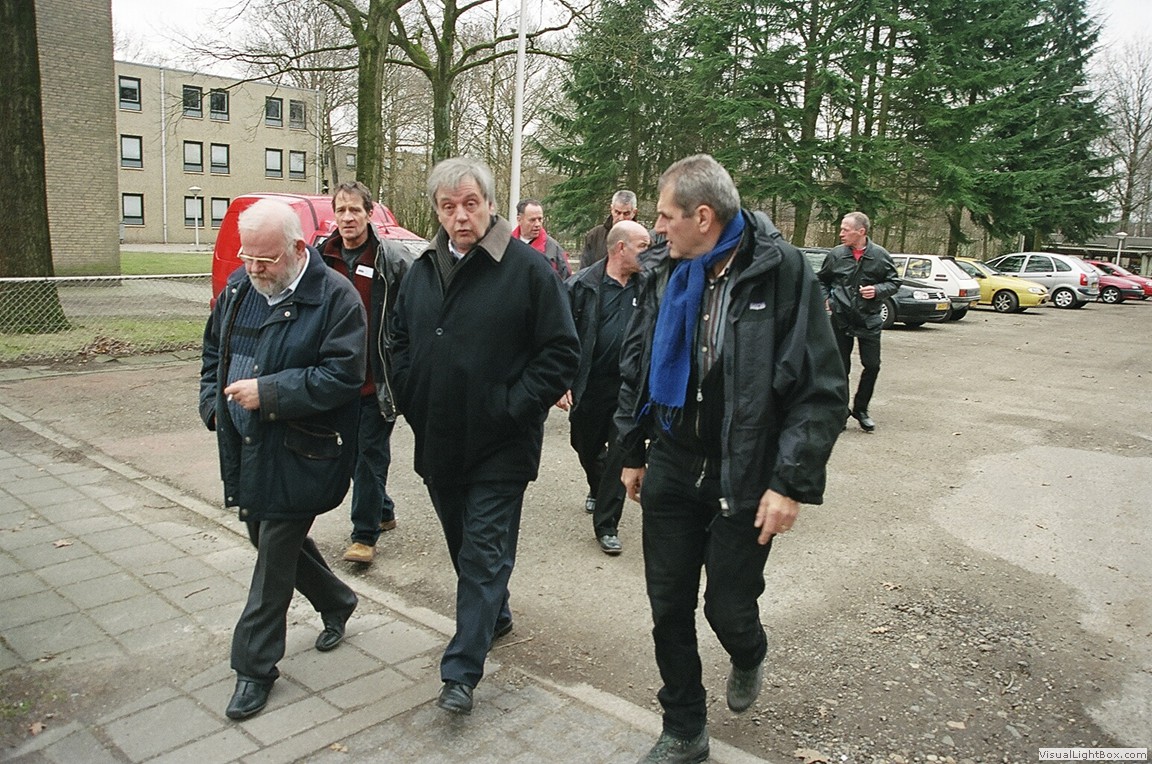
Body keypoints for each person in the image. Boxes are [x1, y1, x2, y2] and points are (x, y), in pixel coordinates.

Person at [615, 155, 846, 764]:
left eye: (664, 216)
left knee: (727, 607)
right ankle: (685, 727)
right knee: (668, 606)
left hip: (743, 471)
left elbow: (820, 389)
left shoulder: (781, 271)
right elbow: (638, 363)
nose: (656, 227)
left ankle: (748, 650)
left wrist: (789, 483)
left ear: (703, 217)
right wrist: (632, 450)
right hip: (672, 461)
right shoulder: (664, 271)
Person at [391, 157, 580, 716]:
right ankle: (494, 614)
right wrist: (412, 396)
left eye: (470, 204)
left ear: (492, 206)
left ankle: (461, 671)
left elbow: (561, 353)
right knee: (463, 544)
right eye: (448, 206)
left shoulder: (528, 270)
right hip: (439, 438)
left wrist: (510, 407)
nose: (460, 216)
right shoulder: (422, 268)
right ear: (437, 211)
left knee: (482, 552)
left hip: (501, 442)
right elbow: (397, 340)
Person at [198, 199, 365, 721]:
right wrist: (212, 406)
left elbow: (342, 377)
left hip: (304, 451)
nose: (253, 268)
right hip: (247, 445)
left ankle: (254, 668)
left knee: (272, 557)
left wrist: (268, 393)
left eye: (265, 259)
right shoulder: (238, 288)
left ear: (296, 248)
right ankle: (336, 601)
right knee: (265, 537)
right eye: (246, 256)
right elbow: (213, 353)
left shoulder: (335, 297)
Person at [316, 181, 409, 565]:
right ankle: (382, 510)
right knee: (351, 454)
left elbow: (412, 313)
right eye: (341, 210)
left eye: (355, 210)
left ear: (370, 214)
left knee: (370, 455)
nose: (348, 217)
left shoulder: (391, 259)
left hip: (377, 380)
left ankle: (364, 536)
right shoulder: (322, 259)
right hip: (337, 380)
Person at [558, 219, 650, 555]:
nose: (650, 253)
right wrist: (562, 382)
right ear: (620, 248)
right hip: (591, 385)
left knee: (620, 453)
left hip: (630, 389)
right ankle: (597, 487)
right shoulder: (580, 286)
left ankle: (607, 524)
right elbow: (561, 337)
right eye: (644, 246)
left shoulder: (650, 286)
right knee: (585, 445)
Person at [817, 211, 900, 433]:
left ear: (861, 232)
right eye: (841, 229)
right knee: (839, 368)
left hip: (868, 319)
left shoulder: (880, 256)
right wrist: (826, 299)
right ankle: (840, 411)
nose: (841, 233)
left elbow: (894, 282)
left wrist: (878, 290)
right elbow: (822, 280)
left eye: (845, 229)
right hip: (840, 318)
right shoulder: (836, 255)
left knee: (872, 365)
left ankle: (861, 410)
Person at [579, 190, 639, 269]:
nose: (621, 218)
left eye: (626, 214)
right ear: (611, 209)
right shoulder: (595, 236)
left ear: (634, 212)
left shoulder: (643, 240)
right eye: (617, 212)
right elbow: (584, 271)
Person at [512, 198, 571, 278]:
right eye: (532, 220)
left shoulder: (554, 248)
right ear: (519, 220)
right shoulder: (506, 246)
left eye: (540, 219)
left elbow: (567, 280)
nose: (537, 224)